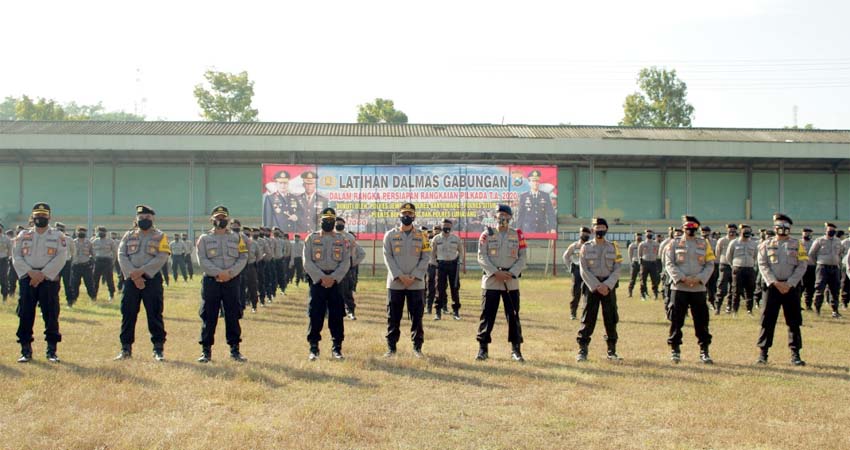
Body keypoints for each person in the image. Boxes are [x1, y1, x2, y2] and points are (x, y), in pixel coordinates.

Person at [12, 203, 68, 363]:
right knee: (25, 314)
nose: (40, 218)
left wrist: (42, 274)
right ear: (32, 217)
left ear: (49, 217)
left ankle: (51, 351)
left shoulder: (58, 236)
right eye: (37, 215)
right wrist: (31, 273)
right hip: (27, 278)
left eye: (43, 215)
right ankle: (25, 350)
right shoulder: (23, 235)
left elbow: (61, 257)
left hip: (48, 280)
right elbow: (16, 256)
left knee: (51, 314)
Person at [115, 205, 171, 361]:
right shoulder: (128, 235)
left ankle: (158, 349)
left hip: (151, 280)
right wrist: (133, 275)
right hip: (131, 280)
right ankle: (125, 349)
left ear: (152, 219)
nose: (144, 220)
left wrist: (142, 272)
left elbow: (162, 257)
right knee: (128, 313)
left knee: (154, 314)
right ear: (136, 219)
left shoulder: (160, 236)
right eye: (141, 218)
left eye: (147, 217)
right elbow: (121, 255)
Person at [196, 206, 249, 363]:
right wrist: (218, 273)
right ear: (212, 220)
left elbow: (243, 257)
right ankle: (206, 351)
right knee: (209, 315)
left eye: (224, 217)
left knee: (232, 314)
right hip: (212, 281)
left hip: (231, 281)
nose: (221, 220)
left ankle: (235, 349)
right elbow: (202, 259)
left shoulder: (237, 238)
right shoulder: (204, 239)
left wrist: (230, 273)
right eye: (218, 217)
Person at [476, 204, 527, 362]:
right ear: (495, 217)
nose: (502, 218)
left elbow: (523, 257)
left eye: (506, 215)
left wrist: (511, 273)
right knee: (487, 316)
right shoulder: (486, 235)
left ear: (511, 217)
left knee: (513, 316)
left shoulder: (518, 235)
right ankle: (483, 349)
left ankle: (516, 350)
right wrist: (495, 272)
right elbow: (481, 256)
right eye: (499, 215)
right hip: (491, 281)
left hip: (510, 282)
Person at [756, 213, 808, 366]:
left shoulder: (798, 244)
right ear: (775, 228)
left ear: (790, 229)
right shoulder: (765, 244)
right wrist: (774, 282)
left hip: (791, 288)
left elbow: (802, 265)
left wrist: (790, 283)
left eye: (786, 227)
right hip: (772, 287)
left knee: (793, 321)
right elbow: (763, 265)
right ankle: (763, 353)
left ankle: (795, 354)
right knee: (767, 320)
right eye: (779, 227)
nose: (782, 230)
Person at [665, 215, 716, 364]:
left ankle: (704, 351)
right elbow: (669, 263)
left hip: (698, 289)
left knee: (701, 321)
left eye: (693, 228)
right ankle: (675, 349)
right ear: (683, 228)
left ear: (697, 229)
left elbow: (710, 264)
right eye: (687, 228)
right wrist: (682, 278)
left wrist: (699, 278)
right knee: (676, 320)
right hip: (679, 287)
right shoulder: (673, 244)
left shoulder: (704, 244)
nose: (690, 230)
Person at [382, 202, 431, 357]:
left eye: (410, 214)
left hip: (416, 284)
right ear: (399, 215)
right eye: (404, 214)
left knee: (417, 317)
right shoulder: (390, 235)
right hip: (395, 283)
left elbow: (426, 257)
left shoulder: (422, 236)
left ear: (414, 216)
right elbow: (387, 257)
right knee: (393, 316)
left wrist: (415, 275)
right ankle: (391, 348)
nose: (407, 216)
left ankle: (417, 347)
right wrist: (400, 275)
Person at [304, 208, 352, 360]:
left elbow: (346, 261)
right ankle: (314, 348)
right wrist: (321, 277)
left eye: (331, 220)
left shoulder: (342, 239)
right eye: (325, 220)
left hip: (336, 282)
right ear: (321, 221)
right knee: (315, 314)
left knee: (337, 315)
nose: (328, 223)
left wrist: (334, 278)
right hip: (317, 282)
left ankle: (337, 348)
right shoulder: (311, 238)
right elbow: (307, 261)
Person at [576, 217, 623, 362]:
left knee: (611, 318)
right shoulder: (586, 247)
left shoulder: (615, 247)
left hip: (608, 287)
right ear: (592, 229)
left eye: (602, 227)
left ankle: (612, 351)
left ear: (607, 229)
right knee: (588, 318)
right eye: (597, 227)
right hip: (592, 287)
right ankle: (582, 350)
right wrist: (597, 285)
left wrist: (607, 285)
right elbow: (583, 269)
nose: (600, 230)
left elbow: (618, 268)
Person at [807, 222, 844, 317]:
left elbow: (839, 253)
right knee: (820, 288)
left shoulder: (838, 241)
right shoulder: (819, 240)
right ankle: (817, 309)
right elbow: (812, 254)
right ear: (826, 230)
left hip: (835, 268)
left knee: (835, 290)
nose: (831, 232)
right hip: (822, 267)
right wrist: (818, 263)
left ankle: (835, 311)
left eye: (832, 230)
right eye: (829, 230)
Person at [431, 219, 465, 320]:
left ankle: (456, 312)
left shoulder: (456, 238)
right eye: (445, 226)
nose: (447, 228)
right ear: (441, 226)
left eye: (448, 226)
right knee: (440, 289)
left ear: (451, 227)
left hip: (453, 265)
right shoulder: (436, 239)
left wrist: (460, 261)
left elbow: (461, 251)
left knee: (454, 288)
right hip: (441, 265)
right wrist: (434, 263)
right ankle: (438, 312)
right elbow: (432, 253)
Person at [335, 218, 366, 320]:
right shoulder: (330, 235)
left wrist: (353, 263)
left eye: (341, 223)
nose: (339, 224)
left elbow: (354, 251)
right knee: (331, 290)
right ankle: (330, 311)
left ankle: (350, 311)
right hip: (333, 268)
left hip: (346, 268)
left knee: (347, 290)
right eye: (337, 223)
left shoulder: (349, 237)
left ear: (344, 224)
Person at [727, 224, 758, 315]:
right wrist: (733, 265)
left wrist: (751, 263)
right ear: (740, 232)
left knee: (750, 290)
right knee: (736, 290)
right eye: (745, 232)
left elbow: (755, 256)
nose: (747, 233)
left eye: (748, 232)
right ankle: (735, 310)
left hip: (750, 269)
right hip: (738, 269)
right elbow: (729, 256)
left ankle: (749, 310)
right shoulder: (734, 242)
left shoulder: (753, 243)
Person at [562, 227, 591, 320]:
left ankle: (586, 313)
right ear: (580, 233)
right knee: (576, 292)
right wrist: (570, 267)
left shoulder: (590, 246)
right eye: (583, 233)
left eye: (587, 234)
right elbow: (565, 256)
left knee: (588, 292)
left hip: (588, 270)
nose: (585, 235)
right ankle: (573, 312)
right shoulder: (574, 246)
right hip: (577, 270)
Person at [714, 224, 738, 314]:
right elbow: (718, 252)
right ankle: (718, 307)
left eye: (733, 230)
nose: (731, 232)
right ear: (727, 230)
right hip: (724, 265)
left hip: (735, 266)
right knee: (722, 287)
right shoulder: (722, 240)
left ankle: (729, 306)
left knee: (733, 287)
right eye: (730, 230)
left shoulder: (737, 241)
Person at [70, 226, 95, 304]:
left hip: (86, 266)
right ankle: (74, 299)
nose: (81, 233)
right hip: (76, 266)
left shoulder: (89, 243)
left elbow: (93, 253)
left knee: (89, 283)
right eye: (79, 231)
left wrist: (92, 262)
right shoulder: (73, 242)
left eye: (83, 232)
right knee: (75, 283)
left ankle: (93, 298)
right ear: (76, 232)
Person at [91, 226, 117, 301]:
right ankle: (94, 295)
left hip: (107, 260)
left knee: (109, 279)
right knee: (95, 279)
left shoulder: (110, 241)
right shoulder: (94, 241)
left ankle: (111, 294)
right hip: (98, 260)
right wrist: (94, 259)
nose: (101, 233)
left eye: (103, 232)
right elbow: (91, 251)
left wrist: (113, 261)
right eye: (100, 232)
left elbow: (115, 252)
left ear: (106, 233)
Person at [638, 229, 661, 301]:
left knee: (654, 279)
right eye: (647, 233)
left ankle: (655, 294)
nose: (649, 234)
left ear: (652, 234)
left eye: (650, 233)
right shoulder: (642, 244)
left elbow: (658, 253)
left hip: (653, 263)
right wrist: (640, 262)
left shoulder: (656, 244)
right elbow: (639, 254)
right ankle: (643, 295)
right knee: (643, 280)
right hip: (645, 263)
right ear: (645, 235)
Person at [627, 233, 642, 298]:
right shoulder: (632, 245)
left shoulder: (643, 244)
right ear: (635, 237)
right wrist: (631, 262)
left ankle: (643, 293)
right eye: (637, 236)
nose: (638, 237)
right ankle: (630, 293)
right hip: (635, 263)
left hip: (642, 263)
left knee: (642, 279)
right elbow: (630, 254)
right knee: (633, 279)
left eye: (640, 236)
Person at [0, 222, 10, 302]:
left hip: (3, 260)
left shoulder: (6, 238)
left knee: (4, 278)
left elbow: (10, 249)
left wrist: (8, 257)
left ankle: (5, 296)